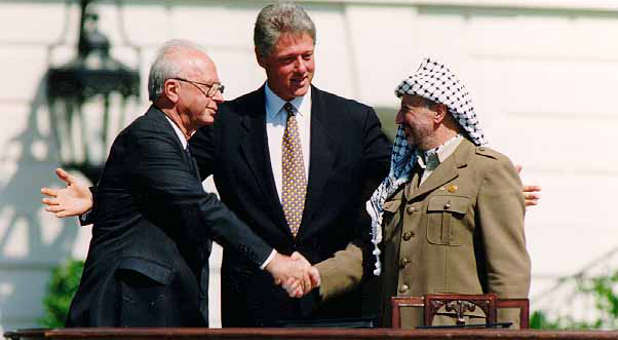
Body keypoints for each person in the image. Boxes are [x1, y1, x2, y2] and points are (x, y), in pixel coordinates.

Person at [42, 2, 540, 327]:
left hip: (338, 309)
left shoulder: (356, 120)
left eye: (307, 55)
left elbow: (404, 177)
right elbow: (175, 187)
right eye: (287, 60)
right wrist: (100, 198)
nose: (300, 68)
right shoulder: (227, 121)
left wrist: (481, 180)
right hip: (254, 312)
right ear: (262, 59)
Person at [51, 40, 315, 327]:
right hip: (129, 315)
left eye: (220, 89)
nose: (219, 98)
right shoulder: (148, 137)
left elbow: (150, 197)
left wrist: (97, 198)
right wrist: (273, 261)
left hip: (164, 314)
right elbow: (199, 206)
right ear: (173, 90)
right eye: (209, 88)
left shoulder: (180, 146)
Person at [294, 57, 531, 329]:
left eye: (406, 109)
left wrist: (508, 336)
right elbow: (372, 251)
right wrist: (316, 275)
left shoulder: (487, 170)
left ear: (438, 113)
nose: (397, 119)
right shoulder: (400, 178)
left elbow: (508, 273)